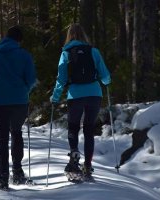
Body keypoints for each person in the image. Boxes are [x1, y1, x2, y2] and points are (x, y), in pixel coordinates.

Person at [50, 23, 111, 180]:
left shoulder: (66, 53)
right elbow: (105, 76)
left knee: (73, 127)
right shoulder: (94, 51)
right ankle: (88, 165)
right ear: (84, 35)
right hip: (94, 94)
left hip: (75, 94)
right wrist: (106, 81)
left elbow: (61, 79)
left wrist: (55, 97)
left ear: (69, 36)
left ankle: (74, 154)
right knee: (89, 129)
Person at [0, 25, 36, 190]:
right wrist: (24, 90)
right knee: (17, 133)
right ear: (19, 40)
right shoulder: (24, 55)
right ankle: (17, 172)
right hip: (19, 101)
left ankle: (3, 177)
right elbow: (32, 79)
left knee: (2, 138)